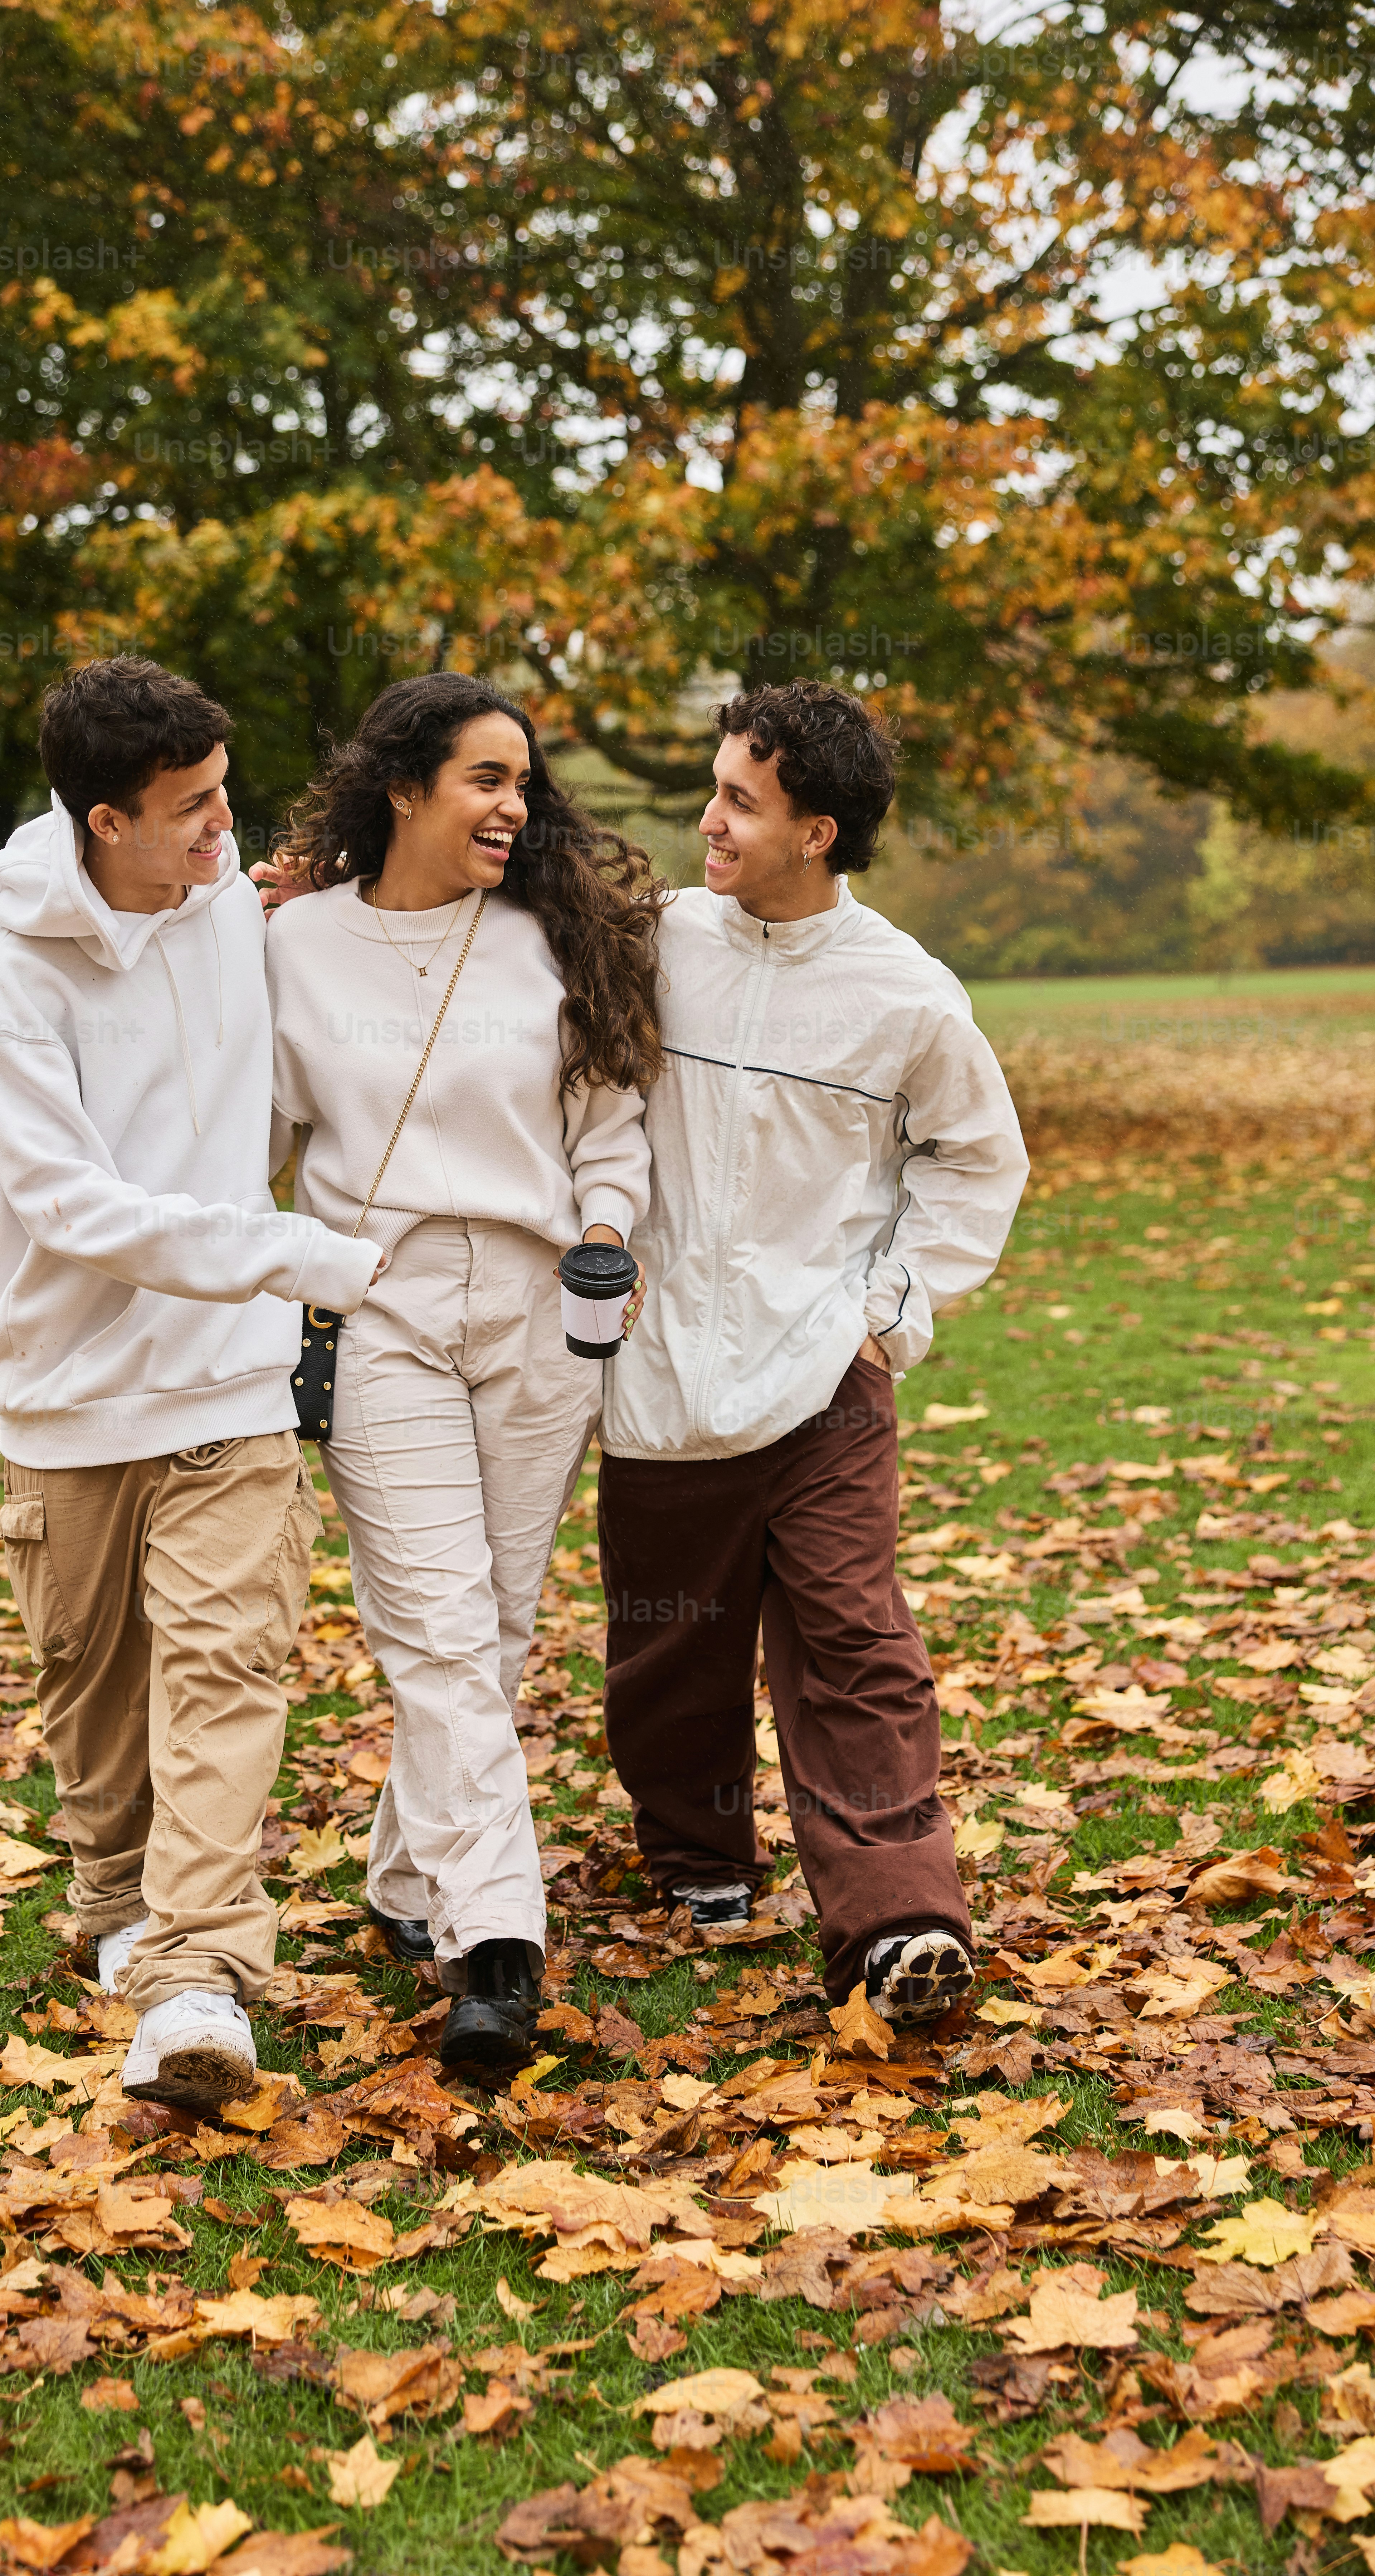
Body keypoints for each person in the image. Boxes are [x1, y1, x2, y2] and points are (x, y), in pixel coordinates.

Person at [0, 655, 381, 2111]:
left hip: (230, 1390)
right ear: (100, 822)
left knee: (227, 1666)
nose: (221, 832)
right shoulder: (12, 984)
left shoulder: (230, 913)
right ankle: (125, 1905)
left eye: (225, 797)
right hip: (69, 1401)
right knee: (96, 1709)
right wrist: (284, 1248)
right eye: (190, 811)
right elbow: (70, 1207)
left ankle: (198, 1983)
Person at [597, 679, 1028, 2028]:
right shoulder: (653, 942)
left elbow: (974, 1160)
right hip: (659, 1376)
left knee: (855, 1640)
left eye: (739, 801)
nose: (707, 821)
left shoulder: (904, 995)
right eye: (716, 787)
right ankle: (697, 1856)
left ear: (818, 832)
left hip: (823, 1377)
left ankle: (899, 1920)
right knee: (669, 1650)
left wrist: (888, 1314)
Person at [264, 673, 660, 2072]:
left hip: (546, 1313)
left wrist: (606, 1233)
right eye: (486, 777)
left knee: (484, 1631)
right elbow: (242, 1121)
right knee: (432, 1631)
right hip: (384, 1313)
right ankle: (499, 1946)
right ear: (402, 786)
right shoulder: (292, 944)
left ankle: (404, 1879)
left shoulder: (554, 937)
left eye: (524, 782)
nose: (514, 804)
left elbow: (608, 1129)